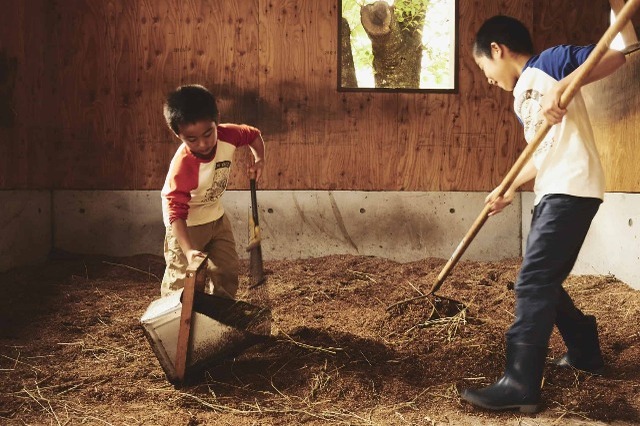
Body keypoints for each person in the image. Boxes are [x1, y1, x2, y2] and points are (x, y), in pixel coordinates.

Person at [461, 15, 626, 413]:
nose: (486, 78)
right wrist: (509, 187)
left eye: (483, 67)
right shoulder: (522, 99)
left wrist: (567, 85)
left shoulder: (548, 64)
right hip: (551, 188)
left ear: (497, 50)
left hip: (572, 187)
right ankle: (584, 350)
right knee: (540, 279)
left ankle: (520, 382)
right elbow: (541, 152)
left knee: (533, 280)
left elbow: (616, 58)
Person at [160, 84, 266, 298]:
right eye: (192, 139)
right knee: (183, 279)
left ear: (216, 119)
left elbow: (253, 135)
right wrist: (188, 250)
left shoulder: (229, 134)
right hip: (186, 224)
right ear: (178, 135)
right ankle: (173, 324)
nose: (203, 143)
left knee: (227, 270)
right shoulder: (183, 166)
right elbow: (175, 213)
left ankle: (220, 321)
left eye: (208, 133)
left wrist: (260, 160)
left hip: (216, 217)